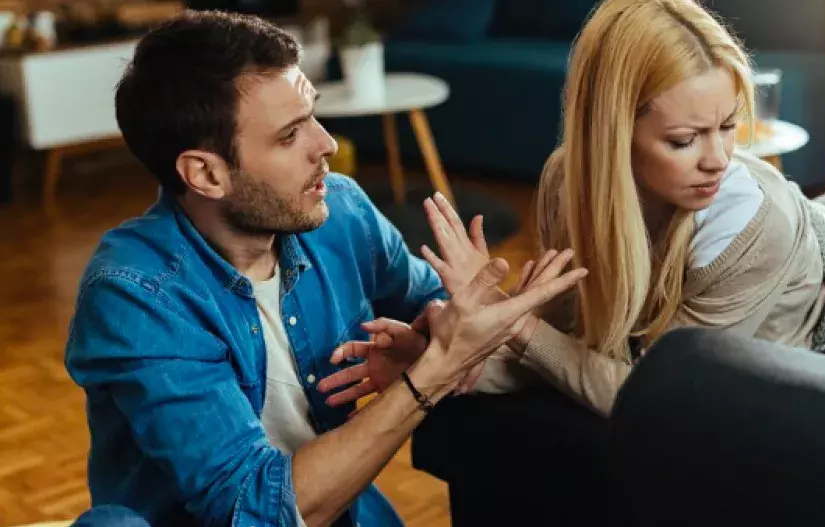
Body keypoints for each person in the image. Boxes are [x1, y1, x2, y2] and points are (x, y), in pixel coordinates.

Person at [62, 10, 588, 527]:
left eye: (311, 114)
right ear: (206, 174)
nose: (327, 144)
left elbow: (437, 309)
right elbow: (254, 509)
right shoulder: (135, 295)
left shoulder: (341, 210)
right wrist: (436, 368)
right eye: (290, 135)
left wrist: (464, 320)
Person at [320, 0, 825, 418]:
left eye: (729, 127)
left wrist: (512, 323)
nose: (719, 159)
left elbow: (656, 396)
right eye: (685, 139)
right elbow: (573, 344)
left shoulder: (749, 224)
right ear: (613, 134)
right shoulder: (567, 181)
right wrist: (438, 362)